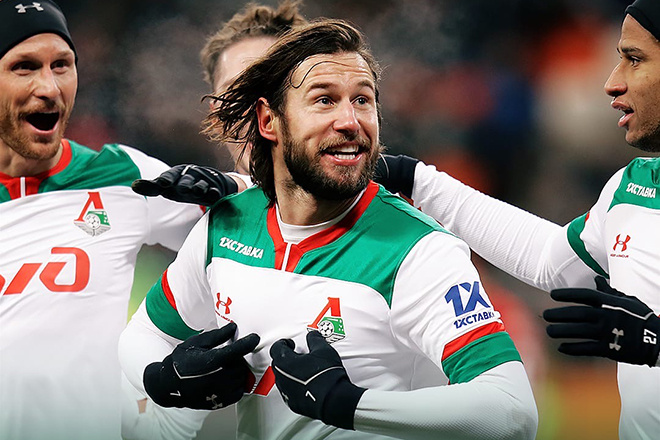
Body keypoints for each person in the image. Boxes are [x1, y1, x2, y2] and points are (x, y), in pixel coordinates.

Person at [119, 19, 538, 440]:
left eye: (362, 100)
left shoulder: (418, 251)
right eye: (324, 100)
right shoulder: (225, 224)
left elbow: (513, 411)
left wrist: (350, 404)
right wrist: (162, 378)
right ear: (268, 121)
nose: (350, 121)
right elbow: (146, 333)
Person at [364, 1, 660, 439]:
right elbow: (550, 259)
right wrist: (416, 179)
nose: (612, 82)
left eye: (634, 59)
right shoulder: (632, 188)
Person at [0, 2, 238, 439]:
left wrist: (233, 186)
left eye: (62, 65)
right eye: (24, 67)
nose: (49, 87)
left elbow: (264, 225)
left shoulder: (122, 176)